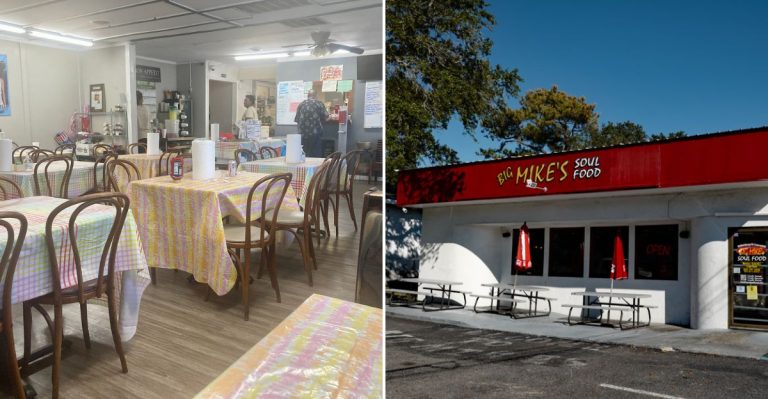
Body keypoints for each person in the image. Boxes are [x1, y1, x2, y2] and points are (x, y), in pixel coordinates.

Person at [294, 90, 329, 157]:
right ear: (316, 96)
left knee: (304, 153)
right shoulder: (319, 103)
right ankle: (316, 167)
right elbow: (326, 117)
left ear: (308, 96)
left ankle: (304, 167)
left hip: (303, 134)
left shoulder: (301, 104)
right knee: (316, 153)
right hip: (315, 133)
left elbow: (297, 120)